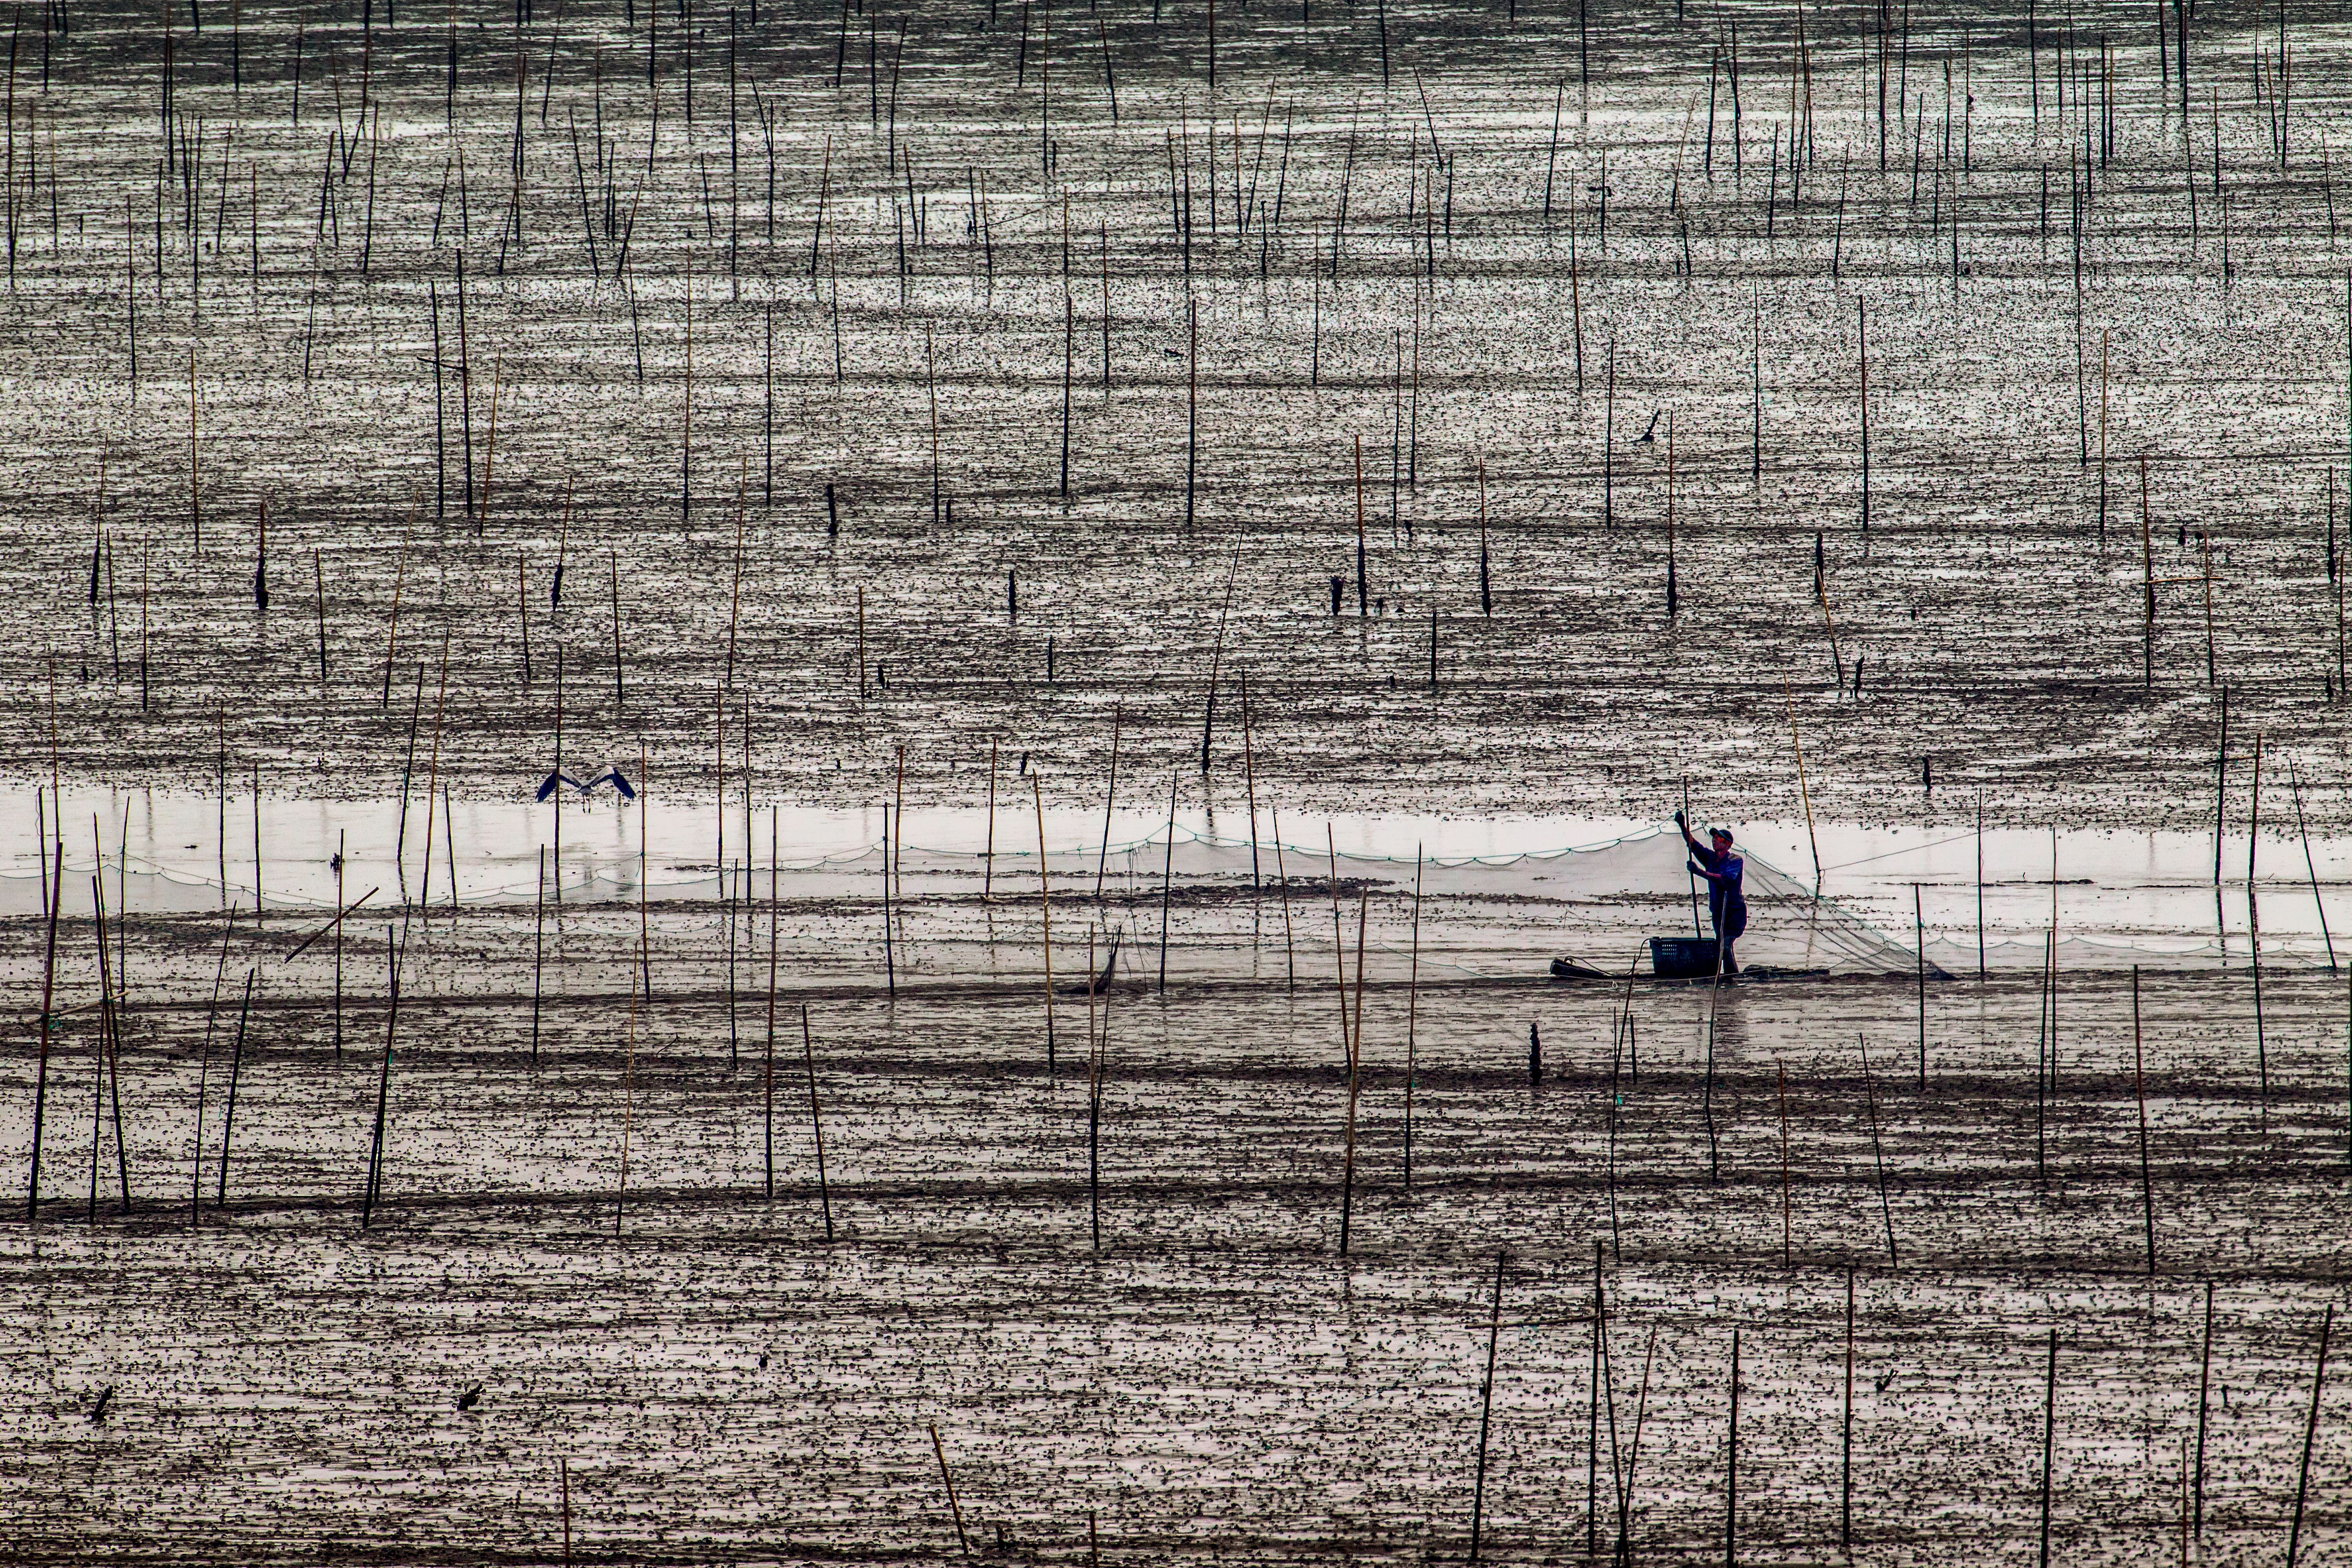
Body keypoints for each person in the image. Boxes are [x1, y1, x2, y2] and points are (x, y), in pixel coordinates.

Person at [1675, 810, 1747, 977]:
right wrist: (1682, 824)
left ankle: (1732, 980)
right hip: (1718, 911)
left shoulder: (1735, 860)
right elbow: (1693, 844)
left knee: (1726, 945)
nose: (1715, 840)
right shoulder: (1710, 858)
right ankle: (1719, 978)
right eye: (1714, 837)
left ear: (1728, 844)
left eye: (1720, 839)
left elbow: (1725, 880)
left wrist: (1699, 872)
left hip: (1734, 912)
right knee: (1720, 946)